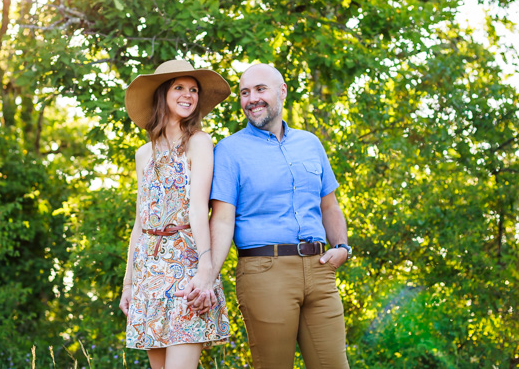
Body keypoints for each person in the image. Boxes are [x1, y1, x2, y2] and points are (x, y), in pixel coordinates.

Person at [203, 63, 352, 369]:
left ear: (282, 92)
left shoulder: (310, 143)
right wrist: (207, 277)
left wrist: (342, 247)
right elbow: (221, 220)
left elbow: (329, 206)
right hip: (264, 272)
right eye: (245, 93)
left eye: (260, 89)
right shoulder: (229, 151)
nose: (251, 99)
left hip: (321, 270)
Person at [119, 59, 232, 369]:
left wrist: (206, 271)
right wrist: (128, 285)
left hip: (185, 266)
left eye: (193, 89)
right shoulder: (144, 154)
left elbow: (198, 208)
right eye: (179, 88)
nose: (188, 95)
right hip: (148, 270)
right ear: (163, 95)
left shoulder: (199, 142)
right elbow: (140, 222)